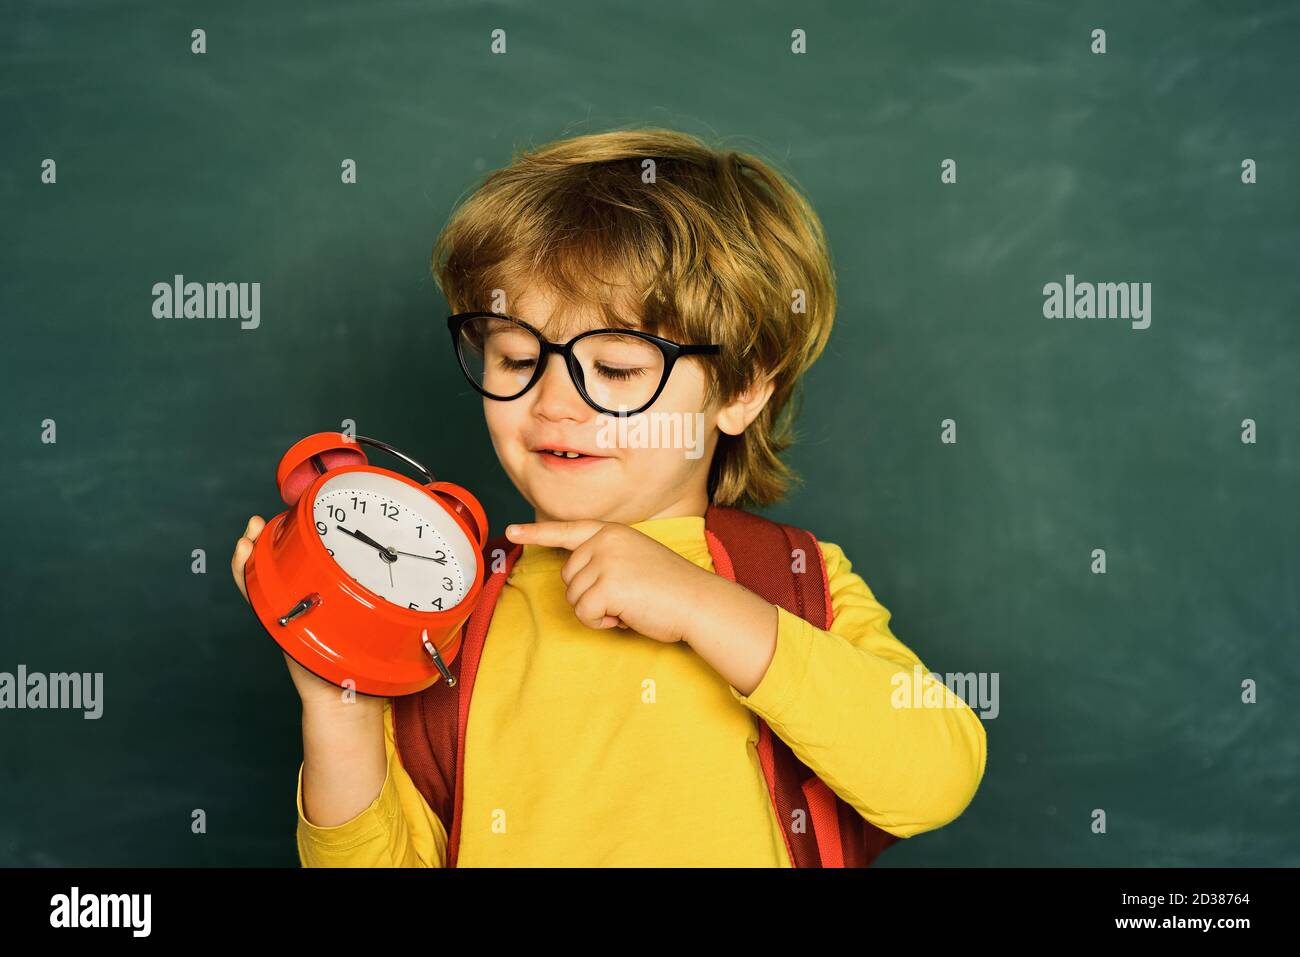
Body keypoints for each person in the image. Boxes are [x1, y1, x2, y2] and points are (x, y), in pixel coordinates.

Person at [232, 128, 987, 867]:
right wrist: (342, 709)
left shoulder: (794, 581)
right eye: (519, 356)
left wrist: (702, 604)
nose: (556, 401)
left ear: (745, 389)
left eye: (618, 369)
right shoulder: (449, 618)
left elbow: (936, 777)